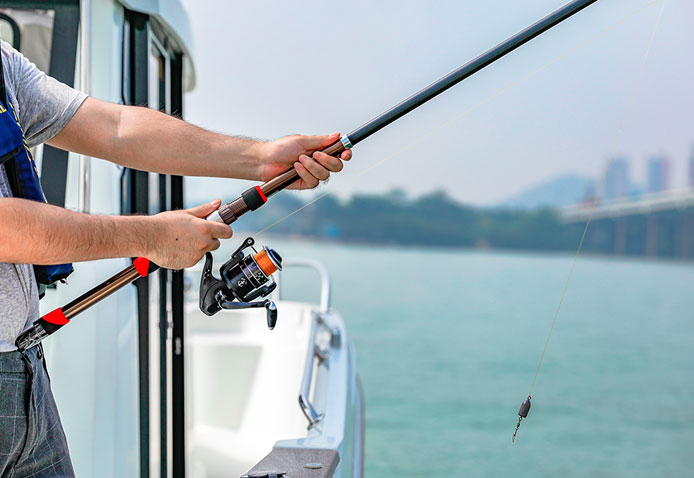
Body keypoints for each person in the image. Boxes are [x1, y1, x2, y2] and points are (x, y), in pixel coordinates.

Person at [0, 40, 351, 477]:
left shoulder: (3, 63)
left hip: (23, 370)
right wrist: (151, 237)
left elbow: (115, 127)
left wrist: (262, 160)